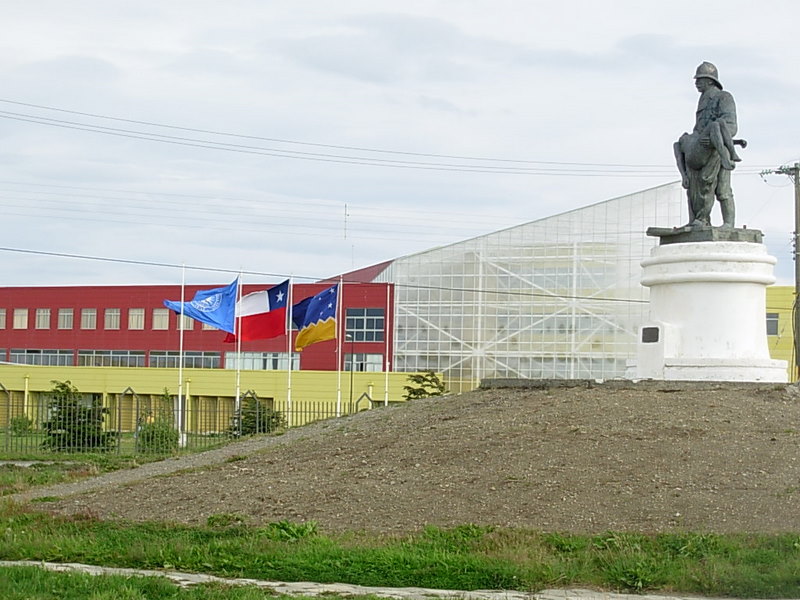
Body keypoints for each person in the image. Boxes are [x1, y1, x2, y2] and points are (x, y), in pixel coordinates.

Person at [673, 62, 745, 228]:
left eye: (701, 79)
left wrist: (712, 137)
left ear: (711, 81)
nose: (697, 82)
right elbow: (698, 127)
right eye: (696, 79)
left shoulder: (724, 97)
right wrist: (695, 139)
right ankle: (699, 220)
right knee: (693, 186)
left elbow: (731, 126)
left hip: (718, 150)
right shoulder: (702, 99)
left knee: (723, 190)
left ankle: (728, 223)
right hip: (702, 148)